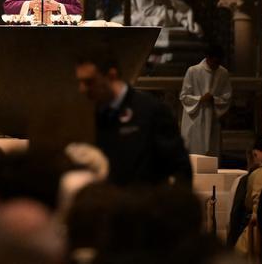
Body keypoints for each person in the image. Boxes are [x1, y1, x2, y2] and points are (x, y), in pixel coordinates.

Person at [74, 53, 192, 187]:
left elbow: (180, 168)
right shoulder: (97, 113)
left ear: (111, 75)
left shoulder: (151, 109)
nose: (82, 89)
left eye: (89, 82)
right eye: (80, 82)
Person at [179, 45, 232, 156]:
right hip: (195, 118)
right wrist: (200, 99)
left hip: (212, 117)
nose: (216, 65)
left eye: (218, 63)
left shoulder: (223, 73)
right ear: (208, 58)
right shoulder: (193, 71)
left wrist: (214, 99)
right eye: (214, 62)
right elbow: (184, 96)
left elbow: (227, 97)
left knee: (212, 153)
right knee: (195, 152)